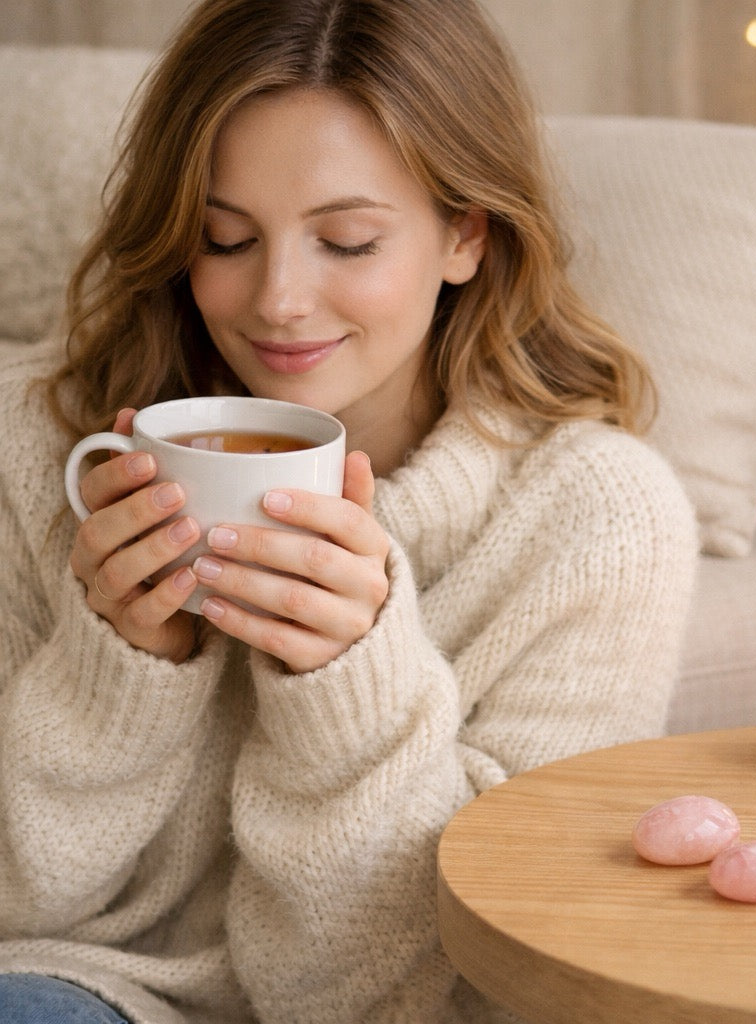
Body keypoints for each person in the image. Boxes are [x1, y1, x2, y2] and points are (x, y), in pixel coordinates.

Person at [0, 0, 698, 1021]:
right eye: (225, 238)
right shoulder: (41, 450)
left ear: (465, 234)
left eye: (348, 240)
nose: (278, 298)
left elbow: (462, 984)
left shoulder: (598, 521)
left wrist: (348, 691)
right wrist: (113, 671)